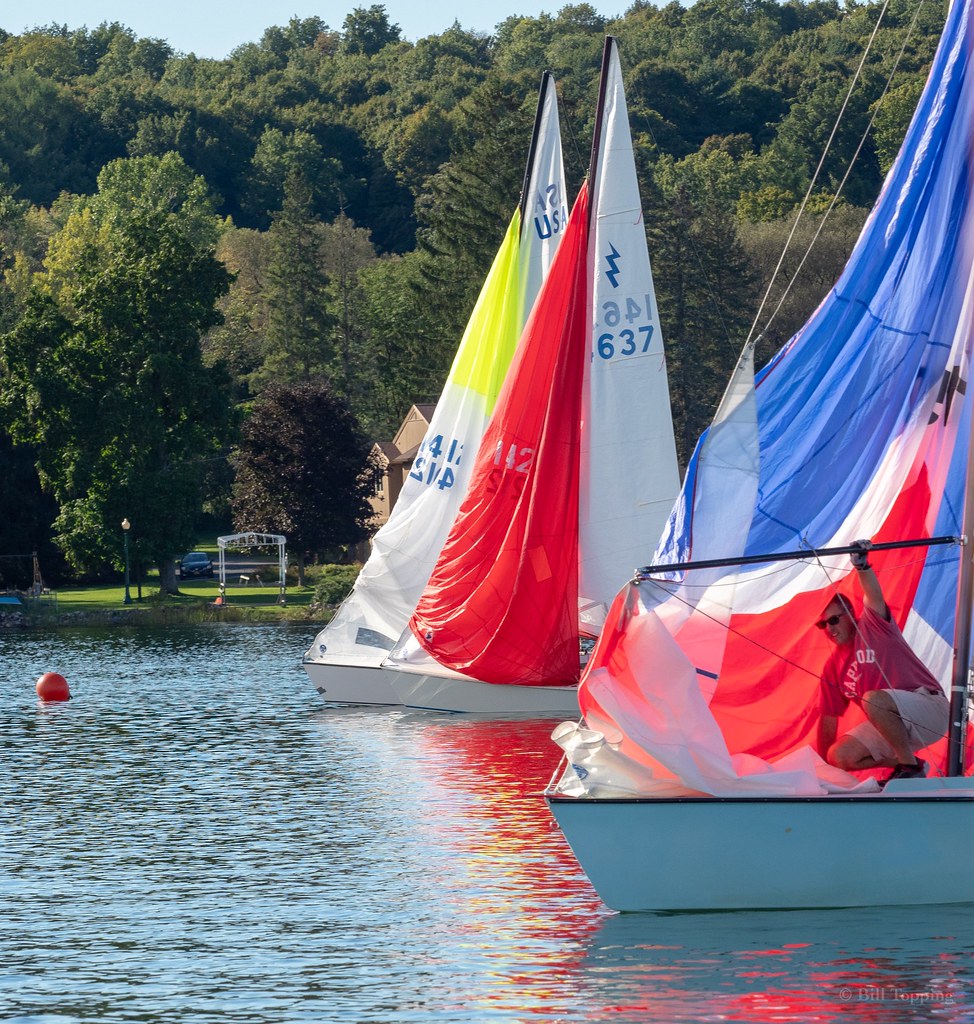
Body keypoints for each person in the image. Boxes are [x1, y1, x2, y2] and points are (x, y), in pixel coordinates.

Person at [816, 539, 949, 781]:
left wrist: (862, 566)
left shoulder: (873, 625)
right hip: (893, 724)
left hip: (930, 709)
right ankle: (912, 764)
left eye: (833, 620)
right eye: (822, 624)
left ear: (850, 615)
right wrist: (821, 769)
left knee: (873, 699)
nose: (829, 629)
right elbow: (828, 719)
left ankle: (909, 769)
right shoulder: (832, 667)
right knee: (838, 755)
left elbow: (873, 595)